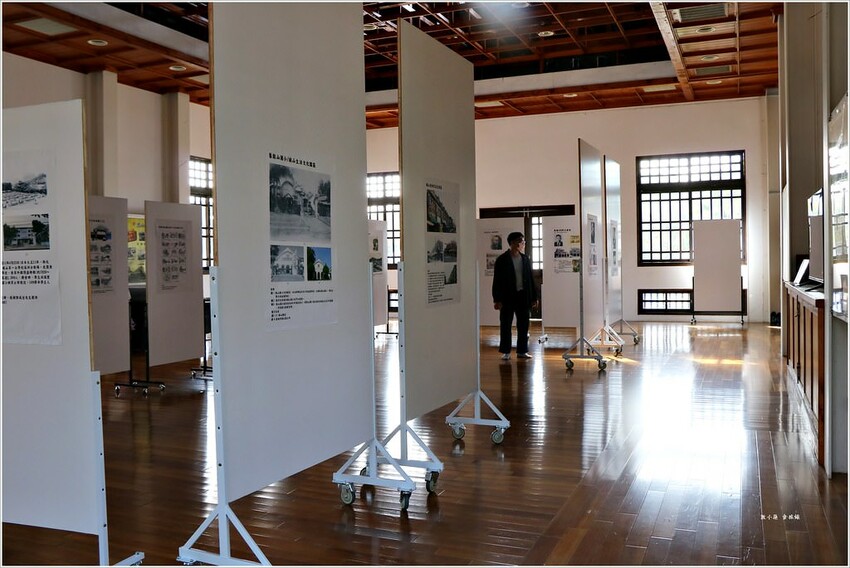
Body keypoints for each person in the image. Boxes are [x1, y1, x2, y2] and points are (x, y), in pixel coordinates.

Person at [492, 231, 538, 360]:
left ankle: (522, 351)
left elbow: (530, 279)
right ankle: (506, 351)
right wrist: (497, 299)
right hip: (507, 297)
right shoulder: (502, 260)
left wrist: (534, 297)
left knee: (523, 325)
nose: (523, 243)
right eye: (521, 241)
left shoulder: (525, 259)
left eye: (523, 241)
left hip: (523, 296)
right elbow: (497, 281)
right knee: (505, 324)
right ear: (513, 242)